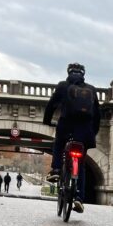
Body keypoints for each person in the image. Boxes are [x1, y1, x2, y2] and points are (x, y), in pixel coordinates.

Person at [43, 62, 101, 214]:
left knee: (59, 143)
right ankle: (79, 199)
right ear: (83, 75)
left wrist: (47, 121)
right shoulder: (91, 89)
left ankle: (56, 169)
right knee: (80, 164)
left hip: (66, 126)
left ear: (69, 72)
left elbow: (51, 105)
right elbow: (97, 115)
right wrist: (93, 132)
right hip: (85, 131)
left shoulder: (63, 86)